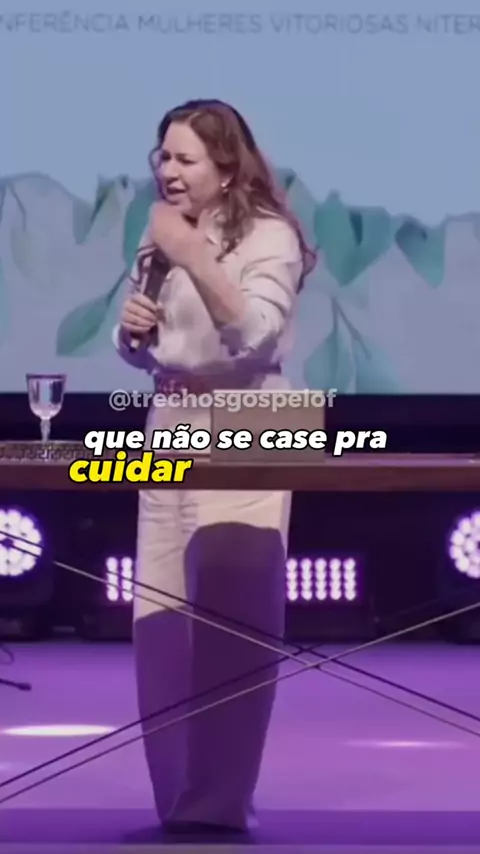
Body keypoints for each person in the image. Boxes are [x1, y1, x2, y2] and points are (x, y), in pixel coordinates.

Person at [113, 98, 315, 835]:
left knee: (233, 621)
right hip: (170, 419)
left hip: (250, 420)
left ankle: (219, 804)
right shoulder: (164, 232)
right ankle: (178, 799)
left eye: (185, 159)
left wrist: (195, 256)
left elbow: (256, 336)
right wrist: (130, 334)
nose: (168, 171)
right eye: (163, 157)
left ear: (227, 168)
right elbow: (148, 345)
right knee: (161, 617)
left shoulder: (268, 236)